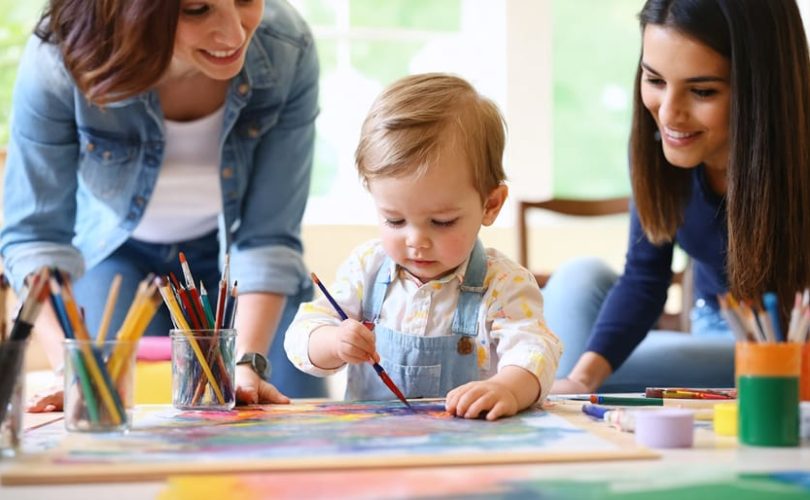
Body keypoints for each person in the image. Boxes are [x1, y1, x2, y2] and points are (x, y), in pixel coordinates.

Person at [0, 0, 327, 410]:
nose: (235, 35)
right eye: (196, 9)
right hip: (112, 254)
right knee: (102, 403)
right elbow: (35, 237)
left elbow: (269, 237)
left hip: (237, 259)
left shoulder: (285, 45)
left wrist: (248, 362)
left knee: (288, 417)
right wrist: (71, 369)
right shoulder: (57, 57)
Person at [546, 0, 810, 394]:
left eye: (702, 91)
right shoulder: (658, 149)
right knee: (576, 280)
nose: (668, 114)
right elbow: (645, 278)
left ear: (762, 89)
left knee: (601, 371)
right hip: (712, 324)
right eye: (654, 81)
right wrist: (581, 378)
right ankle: (569, 396)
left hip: (785, 345)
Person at [284, 73, 562, 420]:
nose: (416, 241)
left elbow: (535, 350)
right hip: (372, 448)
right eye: (394, 221)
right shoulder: (366, 268)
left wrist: (507, 387)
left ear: (490, 204)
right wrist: (333, 341)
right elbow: (300, 336)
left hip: (468, 450)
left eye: (442, 222)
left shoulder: (503, 283)